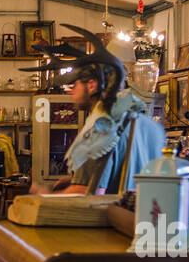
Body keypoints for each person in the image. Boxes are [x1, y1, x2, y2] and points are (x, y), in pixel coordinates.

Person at [27, 24, 166, 195]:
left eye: (74, 85)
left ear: (92, 85)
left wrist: (44, 195)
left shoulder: (101, 128)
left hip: (111, 217)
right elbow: (123, 171)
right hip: (143, 215)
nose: (70, 91)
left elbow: (87, 193)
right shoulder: (147, 124)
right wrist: (76, 178)